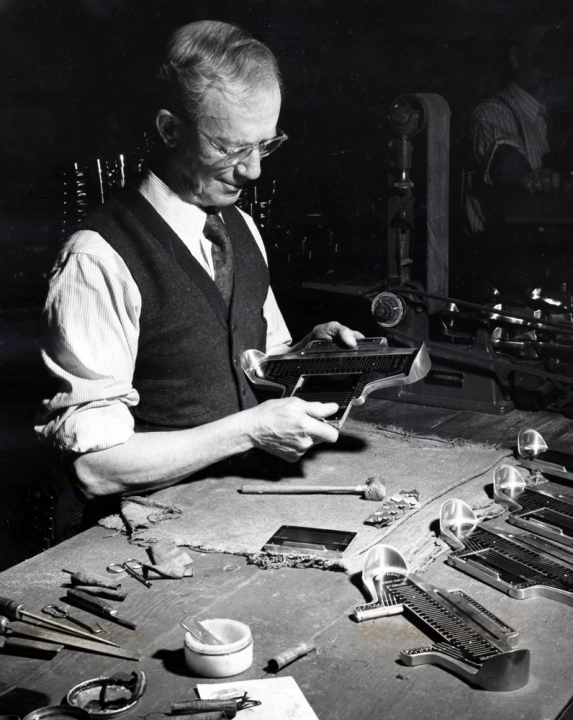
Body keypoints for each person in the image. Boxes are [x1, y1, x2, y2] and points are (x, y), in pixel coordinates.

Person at [36, 20, 363, 504]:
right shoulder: (97, 258)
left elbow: (257, 367)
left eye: (265, 144)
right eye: (232, 148)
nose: (253, 169)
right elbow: (94, 468)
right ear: (170, 129)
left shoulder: (242, 229)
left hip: (240, 507)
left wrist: (309, 356)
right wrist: (248, 431)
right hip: (142, 533)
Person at [464, 21, 573, 236]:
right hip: (503, 257)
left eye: (557, 56)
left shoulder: (553, 117)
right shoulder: (492, 112)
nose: (551, 66)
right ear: (515, 58)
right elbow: (504, 156)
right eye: (541, 56)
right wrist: (533, 180)